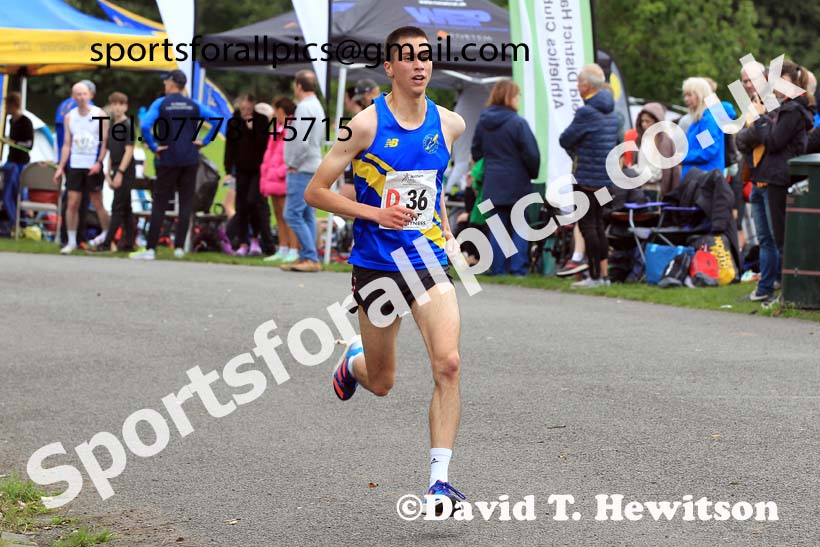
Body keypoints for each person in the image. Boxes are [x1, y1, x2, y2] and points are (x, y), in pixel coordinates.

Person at [304, 25, 468, 512]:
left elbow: (431, 188)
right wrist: (375, 214)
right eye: (409, 58)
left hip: (429, 262)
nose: (420, 65)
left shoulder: (451, 124)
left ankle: (439, 481)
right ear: (389, 67)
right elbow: (316, 192)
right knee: (382, 382)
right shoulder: (364, 126)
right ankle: (353, 362)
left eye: (426, 57)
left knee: (450, 363)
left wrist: (446, 231)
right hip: (376, 267)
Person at [736, 60, 813, 304]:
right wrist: (760, 130)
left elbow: (775, 141)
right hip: (761, 177)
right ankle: (766, 287)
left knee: (781, 239)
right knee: (766, 240)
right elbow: (742, 139)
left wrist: (759, 122)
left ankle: (787, 291)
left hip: (778, 179)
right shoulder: (777, 107)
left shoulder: (794, 111)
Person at [130, 70, 219, 260]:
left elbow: (145, 126)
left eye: (166, 81)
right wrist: (205, 141)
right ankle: (179, 247)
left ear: (172, 83)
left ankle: (151, 248)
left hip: (167, 158)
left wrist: (154, 146)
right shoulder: (193, 104)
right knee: (185, 202)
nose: (164, 84)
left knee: (160, 203)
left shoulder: (161, 103)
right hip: (190, 158)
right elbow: (216, 120)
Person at [471, 79, 540, 276]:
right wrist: (532, 173)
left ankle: (498, 269)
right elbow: (532, 154)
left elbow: (476, 151)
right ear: (510, 97)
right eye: (517, 95)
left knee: (497, 227)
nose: (518, 99)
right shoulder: (518, 123)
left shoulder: (483, 122)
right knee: (520, 226)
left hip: (492, 182)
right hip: (518, 182)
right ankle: (518, 269)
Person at [559, 64, 619, 288]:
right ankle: (604, 275)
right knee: (599, 224)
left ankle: (594, 276)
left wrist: (576, 151)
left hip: (586, 178)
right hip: (606, 179)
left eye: (578, 82)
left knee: (587, 226)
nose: (577, 87)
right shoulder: (612, 111)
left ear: (586, 85)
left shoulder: (586, 112)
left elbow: (565, 139)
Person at [54, 81, 110, 254]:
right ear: (73, 96)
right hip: (76, 164)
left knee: (97, 201)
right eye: (77, 94)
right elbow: (66, 144)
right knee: (72, 203)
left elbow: (104, 142)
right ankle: (71, 240)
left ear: (90, 95)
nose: (80, 97)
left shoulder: (99, 114)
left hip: (92, 163)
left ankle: (107, 235)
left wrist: (99, 162)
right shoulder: (70, 117)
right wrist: (61, 166)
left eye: (83, 94)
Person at [281, 70, 326, 272]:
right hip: (313, 164)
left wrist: (292, 162)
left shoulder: (304, 108)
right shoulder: (317, 106)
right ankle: (308, 255)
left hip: (302, 166)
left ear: (298, 86)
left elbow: (301, 141)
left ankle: (309, 256)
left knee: (291, 214)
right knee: (307, 213)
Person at [223, 93, 275, 257]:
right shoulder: (234, 122)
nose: (245, 112)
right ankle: (243, 241)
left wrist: (252, 130)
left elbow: (264, 145)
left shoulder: (261, 121)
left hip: (258, 170)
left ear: (253, 106)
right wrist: (228, 170)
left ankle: (255, 239)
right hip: (241, 169)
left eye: (248, 108)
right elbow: (230, 148)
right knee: (242, 206)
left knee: (253, 202)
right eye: (243, 108)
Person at [261, 96, 300, 263]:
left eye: (275, 110)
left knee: (288, 215)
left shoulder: (293, 128)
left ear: (281, 110)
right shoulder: (276, 128)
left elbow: (293, 153)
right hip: (272, 177)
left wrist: (279, 172)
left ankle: (294, 249)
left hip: (283, 177)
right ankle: (282, 247)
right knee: (278, 214)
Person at [97, 92, 135, 252]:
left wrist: (119, 172)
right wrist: (108, 171)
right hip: (115, 168)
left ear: (125, 106)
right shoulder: (113, 127)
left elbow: (129, 150)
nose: (117, 108)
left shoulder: (128, 125)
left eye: (120, 104)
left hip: (125, 170)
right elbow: (112, 150)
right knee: (126, 208)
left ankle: (107, 243)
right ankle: (129, 243)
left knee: (117, 207)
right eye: (114, 104)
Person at [680, 77, 725, 179]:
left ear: (701, 95)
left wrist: (683, 157)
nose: (686, 99)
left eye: (689, 95)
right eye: (685, 95)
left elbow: (708, 151)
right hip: (697, 179)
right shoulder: (699, 121)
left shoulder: (707, 121)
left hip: (704, 180)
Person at [634, 102, 681, 198]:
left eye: (648, 121)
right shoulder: (642, 140)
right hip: (640, 188)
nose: (644, 124)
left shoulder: (663, 143)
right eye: (642, 121)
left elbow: (659, 173)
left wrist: (635, 173)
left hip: (654, 191)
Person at [1, 92, 33, 229]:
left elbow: (29, 145)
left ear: (13, 105)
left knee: (20, 192)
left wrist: (14, 142)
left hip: (21, 163)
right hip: (11, 160)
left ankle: (22, 221)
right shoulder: (10, 121)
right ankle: (11, 220)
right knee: (8, 191)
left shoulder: (26, 122)